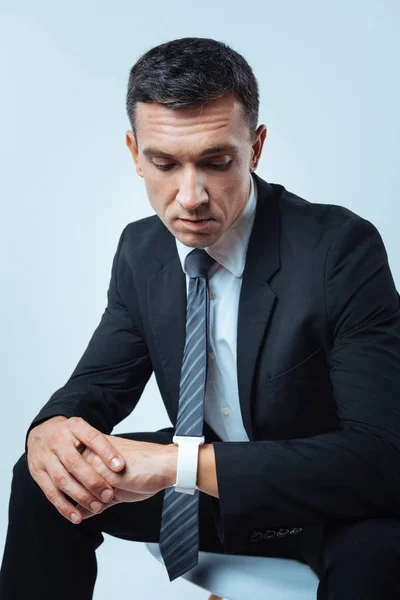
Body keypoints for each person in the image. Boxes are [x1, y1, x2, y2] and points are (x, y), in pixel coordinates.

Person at [1, 36, 400, 599]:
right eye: (164, 163)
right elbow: (97, 386)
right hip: (209, 499)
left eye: (216, 162)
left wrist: (173, 465)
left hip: (326, 501)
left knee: (383, 554)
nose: (190, 197)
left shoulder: (339, 249)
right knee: (44, 480)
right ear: (133, 152)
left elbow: (381, 457)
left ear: (255, 148)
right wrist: (50, 430)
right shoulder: (141, 250)